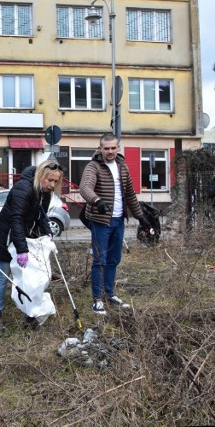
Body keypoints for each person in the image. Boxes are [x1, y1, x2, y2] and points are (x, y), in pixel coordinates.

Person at [0, 160, 62, 332]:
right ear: (41, 175)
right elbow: (16, 220)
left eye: (55, 181)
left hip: (24, 237)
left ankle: (30, 316)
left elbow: (41, 216)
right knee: (3, 276)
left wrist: (46, 231)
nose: (52, 184)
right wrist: (22, 250)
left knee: (30, 279)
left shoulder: (45, 192)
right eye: (50, 180)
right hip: (6, 236)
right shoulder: (23, 189)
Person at [79, 133, 151, 315]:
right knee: (100, 261)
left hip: (119, 220)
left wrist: (141, 218)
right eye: (106, 148)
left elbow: (130, 195)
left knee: (113, 260)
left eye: (113, 148)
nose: (110, 151)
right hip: (100, 221)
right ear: (100, 149)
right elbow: (85, 187)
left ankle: (110, 294)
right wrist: (97, 201)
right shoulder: (93, 166)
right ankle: (97, 300)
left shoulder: (122, 166)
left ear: (118, 148)